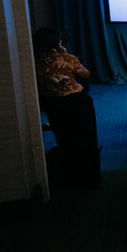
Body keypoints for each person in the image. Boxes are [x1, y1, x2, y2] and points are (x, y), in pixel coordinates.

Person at [33, 27, 99, 180]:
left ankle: (70, 173)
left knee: (64, 138)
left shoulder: (34, 61)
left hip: (52, 104)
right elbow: (86, 73)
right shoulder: (67, 58)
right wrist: (65, 54)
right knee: (85, 137)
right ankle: (90, 175)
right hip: (76, 102)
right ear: (56, 42)